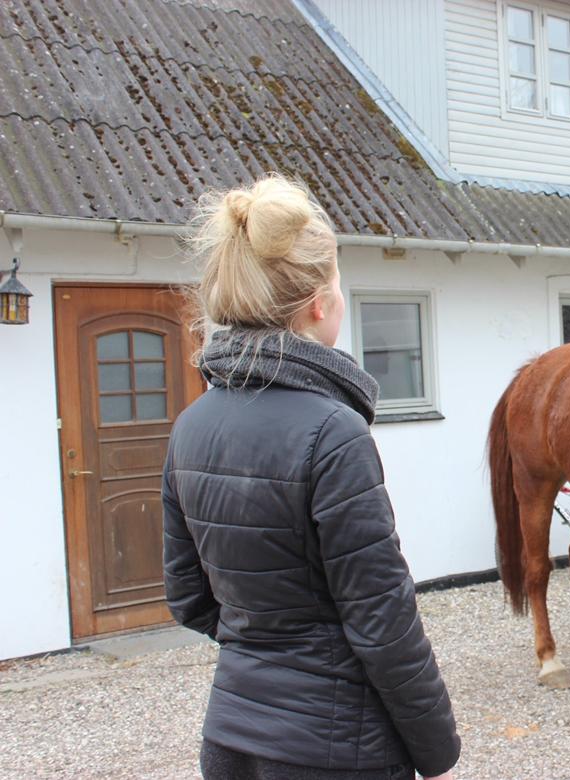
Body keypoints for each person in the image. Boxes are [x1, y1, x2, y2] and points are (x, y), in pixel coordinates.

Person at [162, 174, 460, 779]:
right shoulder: (333, 432)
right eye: (340, 282)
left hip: (232, 741)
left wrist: (266, 652)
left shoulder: (189, 426)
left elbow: (188, 598)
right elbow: (382, 620)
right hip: (332, 748)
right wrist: (437, 748)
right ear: (319, 304)